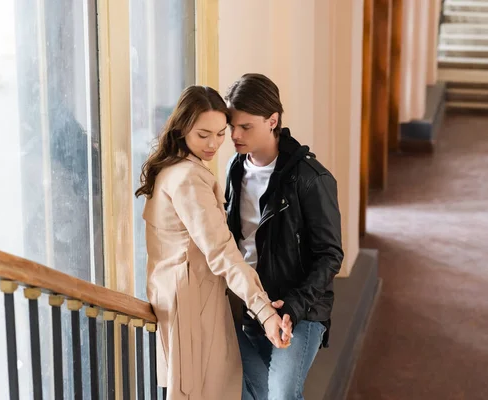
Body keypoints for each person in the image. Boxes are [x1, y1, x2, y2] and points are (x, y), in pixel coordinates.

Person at [136, 85, 292, 400]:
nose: (214, 144)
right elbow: (221, 252)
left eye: (221, 133)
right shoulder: (188, 178)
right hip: (192, 302)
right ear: (182, 129)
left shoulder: (173, 168)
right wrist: (264, 311)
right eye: (203, 134)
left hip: (182, 295)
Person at [224, 73, 344, 400]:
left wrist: (292, 305)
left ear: (272, 121)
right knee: (248, 391)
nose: (234, 134)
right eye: (231, 125)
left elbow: (330, 255)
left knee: (280, 394)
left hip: (301, 309)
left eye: (245, 127)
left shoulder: (311, 178)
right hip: (252, 305)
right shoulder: (234, 170)